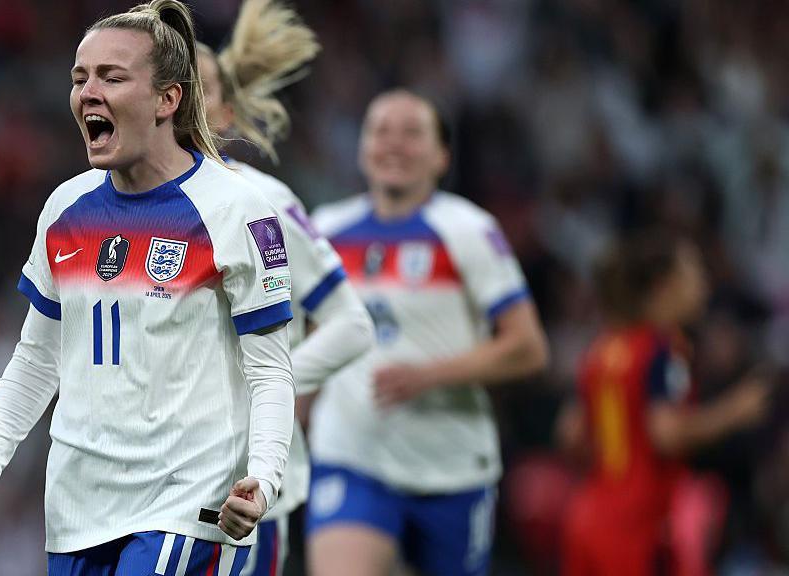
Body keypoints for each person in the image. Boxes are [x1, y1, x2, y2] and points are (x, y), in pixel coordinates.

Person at [0, 2, 297, 574]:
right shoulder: (66, 208)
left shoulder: (237, 209)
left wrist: (265, 478)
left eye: (112, 77)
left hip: (187, 504)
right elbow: (36, 359)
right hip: (78, 508)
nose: (88, 93)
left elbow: (271, 370)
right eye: (80, 78)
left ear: (167, 99)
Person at [305, 89, 550, 576]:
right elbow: (308, 342)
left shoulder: (468, 230)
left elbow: (528, 348)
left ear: (442, 156)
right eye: (380, 131)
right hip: (351, 458)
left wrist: (430, 376)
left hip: (452, 467)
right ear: (361, 148)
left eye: (412, 133)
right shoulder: (324, 230)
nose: (394, 143)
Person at [196, 1, 375, 573]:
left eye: (197, 89)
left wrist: (269, 392)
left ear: (223, 113)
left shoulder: (263, 202)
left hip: (236, 490)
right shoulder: (105, 208)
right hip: (136, 489)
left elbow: (350, 323)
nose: (179, 103)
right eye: (168, 85)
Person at [559, 233, 770, 576]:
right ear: (665, 286)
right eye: (694, 272)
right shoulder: (663, 350)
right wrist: (736, 410)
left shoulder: (605, 348)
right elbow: (666, 434)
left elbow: (569, 434)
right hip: (636, 525)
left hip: (587, 515)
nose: (704, 283)